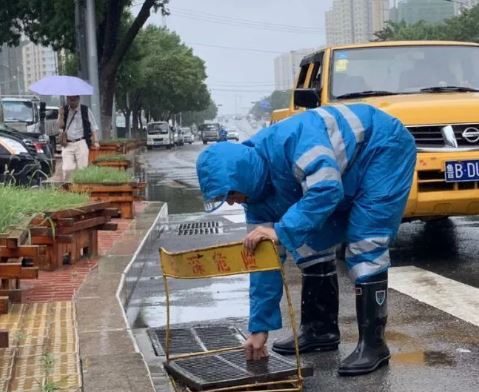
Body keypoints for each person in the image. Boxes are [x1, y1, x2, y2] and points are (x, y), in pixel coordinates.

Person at [196, 103, 416, 375]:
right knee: (307, 243)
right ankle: (319, 330)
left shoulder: (291, 140)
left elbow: (325, 189)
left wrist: (280, 231)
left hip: (382, 148)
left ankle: (374, 346)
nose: (230, 203)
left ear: (241, 176)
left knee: (366, 241)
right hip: (346, 170)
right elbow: (264, 261)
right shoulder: (254, 197)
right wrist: (258, 328)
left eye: (229, 195)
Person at [57, 95, 100, 180]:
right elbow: (60, 126)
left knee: (82, 169)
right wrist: (60, 114)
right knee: (67, 168)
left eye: (73, 99)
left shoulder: (85, 110)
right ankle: (69, 189)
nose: (72, 101)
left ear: (78, 99)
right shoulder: (64, 110)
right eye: (70, 99)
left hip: (81, 142)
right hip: (67, 143)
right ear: (67, 99)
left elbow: (93, 127)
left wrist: (96, 141)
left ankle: (82, 189)